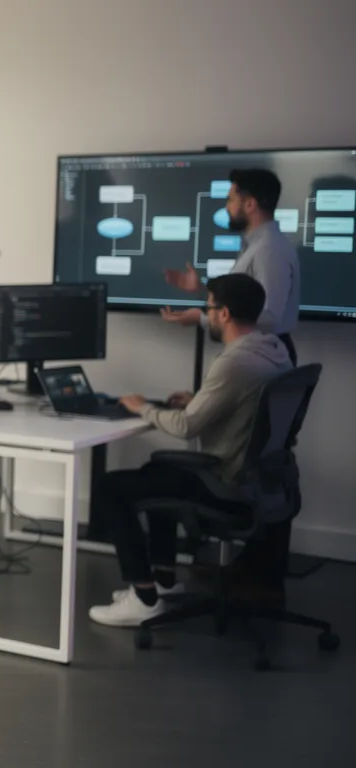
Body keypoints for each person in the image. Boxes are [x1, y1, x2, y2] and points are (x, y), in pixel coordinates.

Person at [88, 273, 292, 627]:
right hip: (259, 480)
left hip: (224, 483)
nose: (205, 314)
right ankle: (165, 580)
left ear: (224, 313)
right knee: (157, 471)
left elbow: (186, 428)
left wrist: (141, 407)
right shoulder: (274, 349)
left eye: (207, 307)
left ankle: (145, 596)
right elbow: (246, 404)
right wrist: (199, 400)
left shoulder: (234, 361)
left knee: (111, 488)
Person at [162, 168, 300, 365]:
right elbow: (242, 304)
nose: (227, 207)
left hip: (264, 358)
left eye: (230, 200)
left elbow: (268, 317)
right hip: (257, 354)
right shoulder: (256, 245)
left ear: (250, 204)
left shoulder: (269, 249)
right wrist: (202, 292)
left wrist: (203, 319)